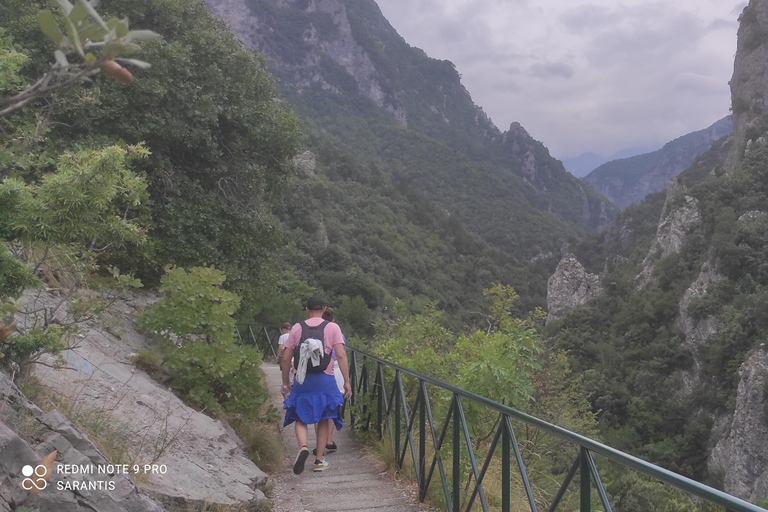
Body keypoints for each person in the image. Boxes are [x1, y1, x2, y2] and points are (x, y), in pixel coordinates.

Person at [281, 297, 352, 474]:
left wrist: (285, 382)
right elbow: (341, 356)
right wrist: (347, 381)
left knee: (299, 416)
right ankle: (319, 460)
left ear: (307, 309)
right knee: (323, 417)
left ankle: (303, 446)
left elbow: (286, 357)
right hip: (325, 379)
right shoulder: (332, 327)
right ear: (324, 308)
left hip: (302, 379)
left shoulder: (297, 327)